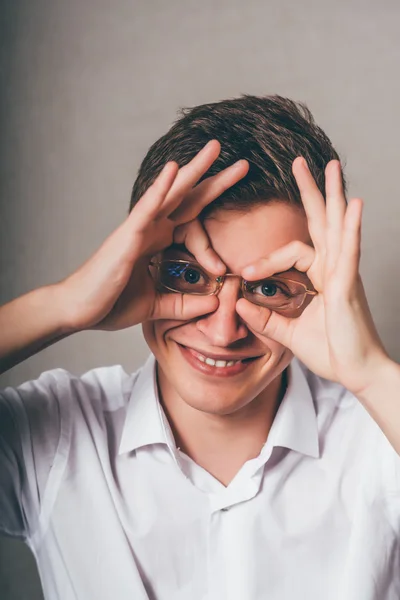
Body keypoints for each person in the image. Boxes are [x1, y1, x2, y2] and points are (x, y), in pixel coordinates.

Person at [1, 95, 399, 600]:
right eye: (187, 275)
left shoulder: (379, 439)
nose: (223, 330)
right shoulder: (58, 434)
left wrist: (369, 372)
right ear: (134, 266)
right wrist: (63, 306)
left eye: (269, 288)